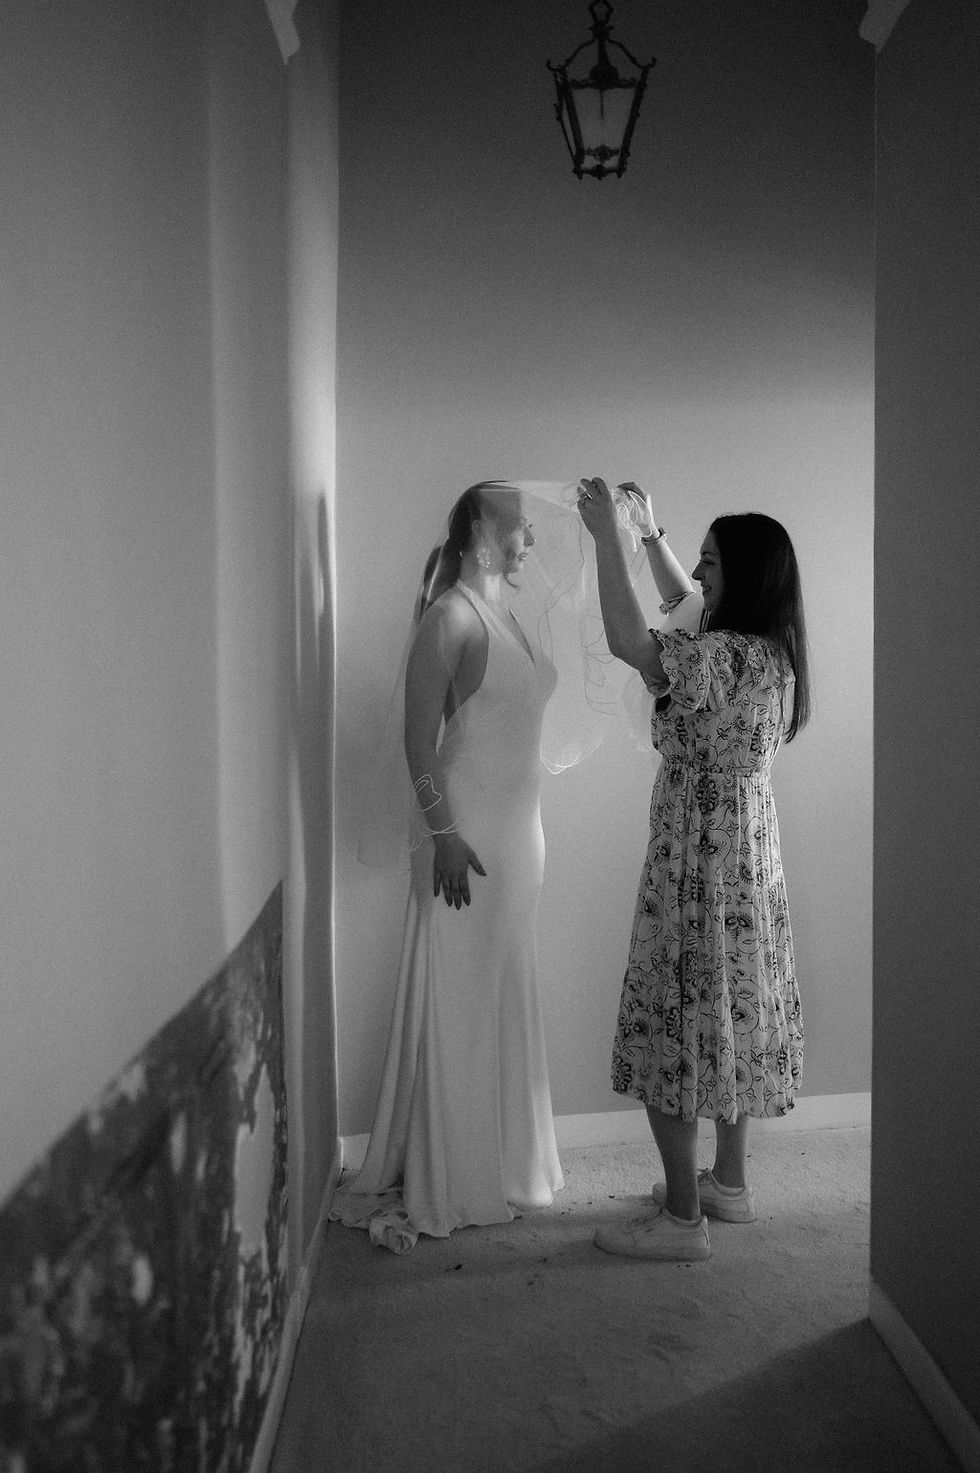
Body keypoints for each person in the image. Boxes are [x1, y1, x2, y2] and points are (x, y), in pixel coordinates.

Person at [332, 483, 582, 1252]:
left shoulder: (507, 614)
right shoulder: (452, 617)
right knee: (460, 1001)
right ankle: (456, 1172)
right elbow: (417, 742)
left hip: (519, 838)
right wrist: (441, 833)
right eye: (520, 525)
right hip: (466, 838)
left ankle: (505, 1161)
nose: (530, 539)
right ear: (481, 527)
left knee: (500, 992)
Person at [576, 476, 810, 1262]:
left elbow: (630, 640)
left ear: (740, 576)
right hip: (747, 855)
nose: (697, 574)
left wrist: (607, 534)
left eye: (710, 562)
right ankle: (728, 1185)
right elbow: (689, 604)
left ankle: (682, 1219)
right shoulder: (769, 654)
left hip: (697, 859)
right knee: (731, 1013)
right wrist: (651, 538)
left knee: (673, 1021)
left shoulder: (717, 659)